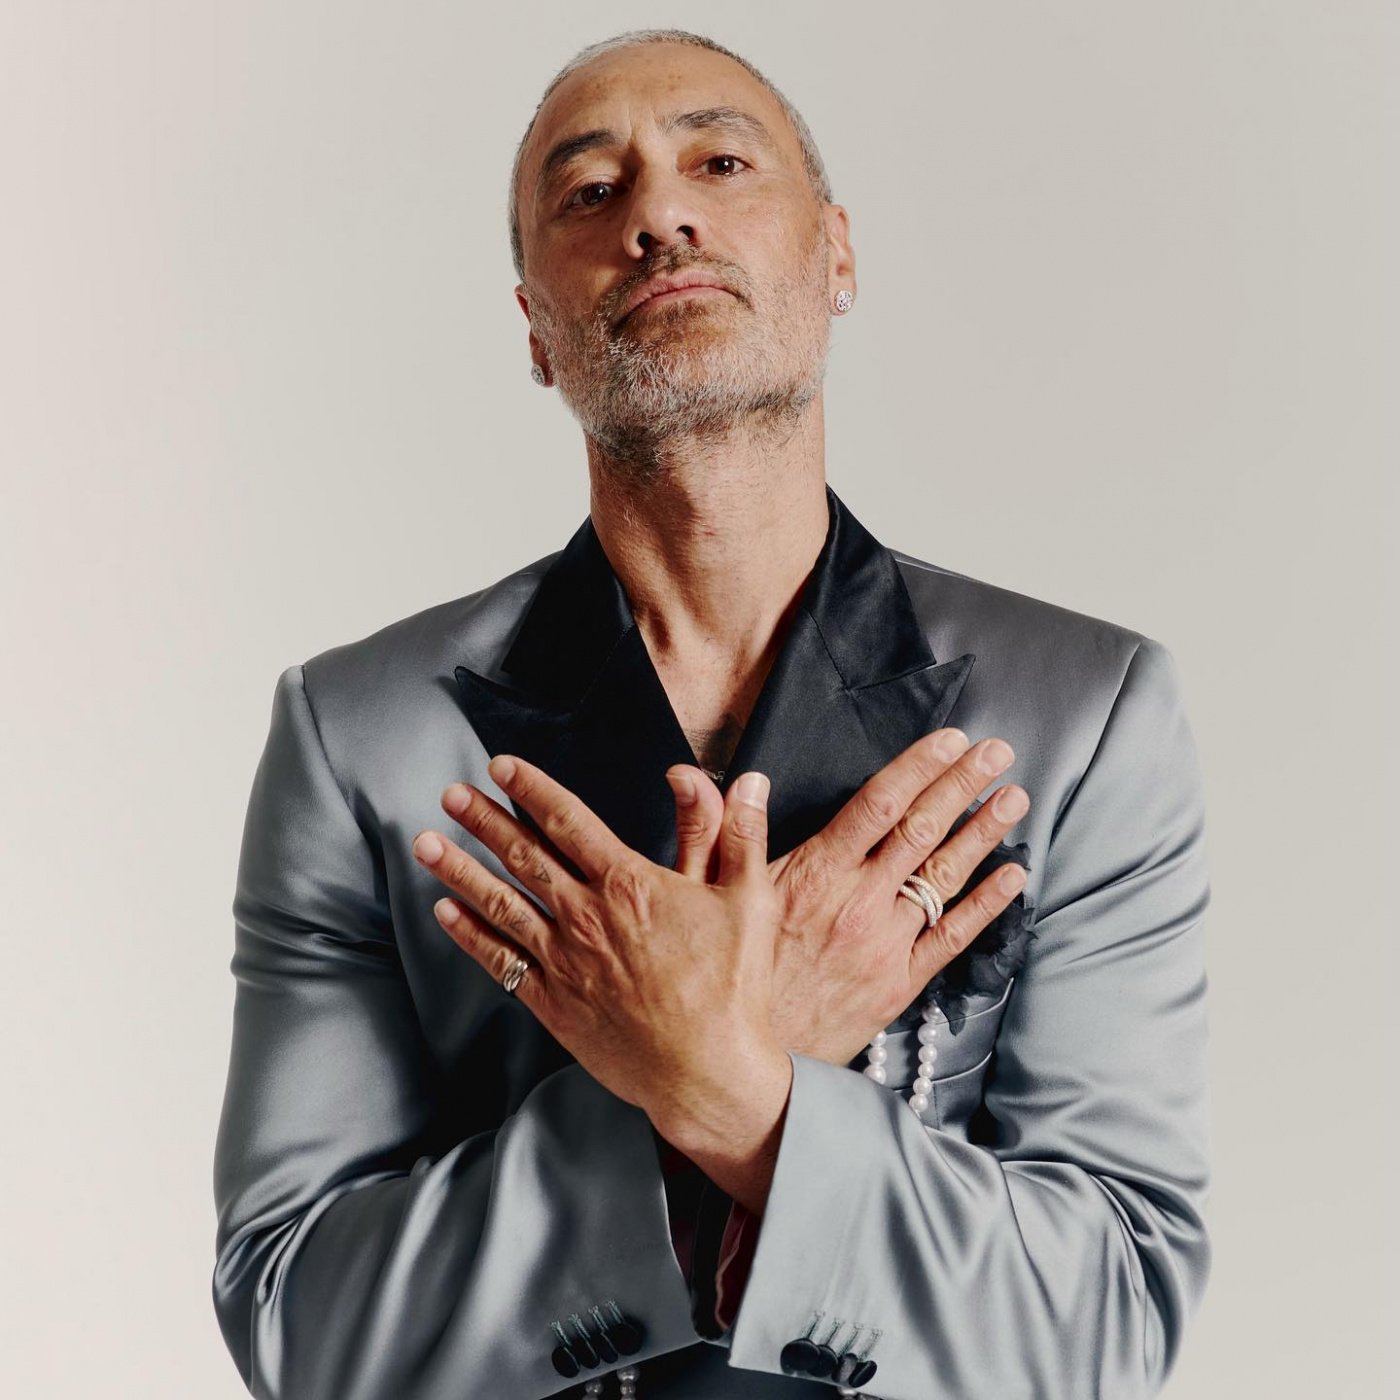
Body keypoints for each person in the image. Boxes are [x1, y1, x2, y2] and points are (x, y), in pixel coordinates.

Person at [211, 27, 1213, 1400]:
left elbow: (1106, 1326)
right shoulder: (358, 738)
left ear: (836, 254)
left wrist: (720, 1079)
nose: (659, 216)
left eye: (720, 163)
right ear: (535, 330)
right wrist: (747, 1056)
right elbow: (300, 1325)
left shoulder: (1088, 713)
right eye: (591, 191)